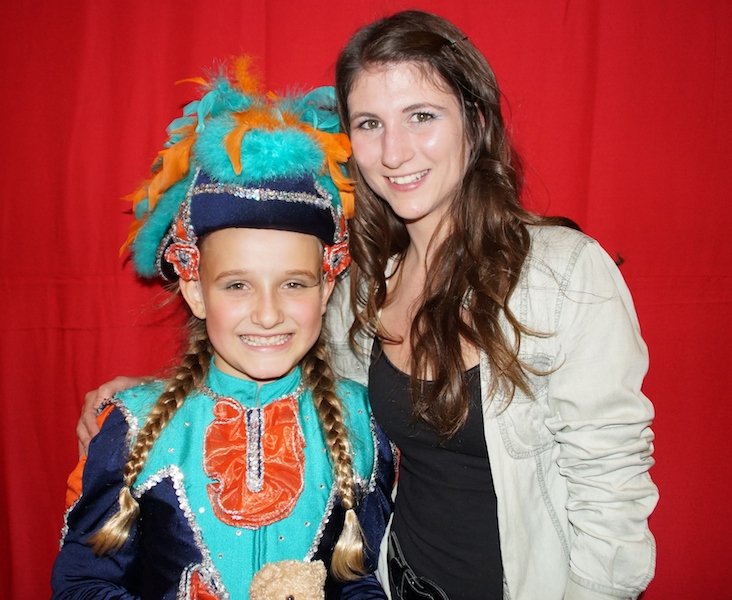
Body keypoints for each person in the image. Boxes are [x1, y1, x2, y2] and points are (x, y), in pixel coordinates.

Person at [78, 10, 658, 600]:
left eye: (422, 116)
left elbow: (612, 492)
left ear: (475, 121)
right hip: (391, 584)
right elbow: (276, 362)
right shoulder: (360, 288)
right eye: (370, 124)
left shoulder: (563, 273)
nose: (395, 152)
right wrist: (146, 407)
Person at [53, 59, 394, 599]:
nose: (267, 314)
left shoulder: (362, 421)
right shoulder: (135, 426)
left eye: (294, 284)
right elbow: (82, 581)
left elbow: (361, 580)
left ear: (327, 287)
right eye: (237, 285)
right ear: (195, 289)